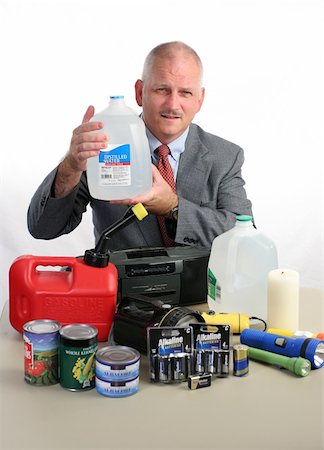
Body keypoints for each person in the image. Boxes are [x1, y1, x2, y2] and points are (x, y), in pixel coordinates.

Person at [28, 41, 253, 250]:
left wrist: (174, 207)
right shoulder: (103, 146)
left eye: (185, 92)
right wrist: (71, 165)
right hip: (120, 290)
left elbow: (245, 239)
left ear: (199, 100)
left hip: (201, 292)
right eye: (162, 90)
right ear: (139, 92)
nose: (173, 104)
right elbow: (43, 228)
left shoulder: (225, 156)